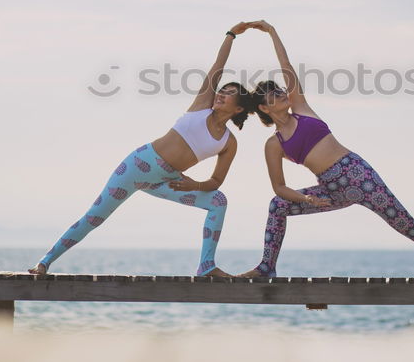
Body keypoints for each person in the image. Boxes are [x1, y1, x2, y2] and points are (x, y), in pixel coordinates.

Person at [238, 20, 414, 279]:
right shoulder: (274, 144)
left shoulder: (301, 109)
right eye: (274, 95)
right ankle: (267, 267)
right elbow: (279, 187)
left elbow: (287, 68)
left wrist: (272, 32)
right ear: (264, 109)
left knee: (404, 224)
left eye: (280, 90)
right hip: (331, 190)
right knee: (278, 205)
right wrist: (308, 199)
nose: (281, 94)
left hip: (359, 175)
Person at [29, 22, 256, 278]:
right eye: (222, 90)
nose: (221, 94)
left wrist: (196, 186)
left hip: (168, 180)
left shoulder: (228, 141)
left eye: (228, 94)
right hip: (138, 166)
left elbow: (216, 181)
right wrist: (231, 35)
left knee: (218, 202)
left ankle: (206, 266)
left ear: (238, 108)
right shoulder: (203, 105)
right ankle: (45, 262)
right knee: (95, 216)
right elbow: (218, 67)